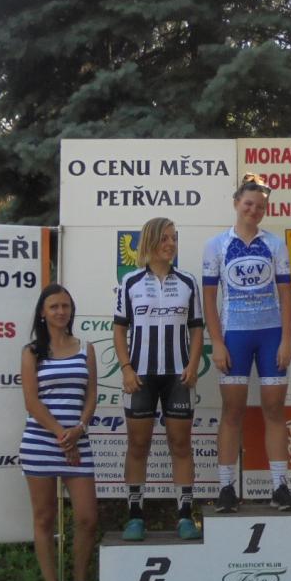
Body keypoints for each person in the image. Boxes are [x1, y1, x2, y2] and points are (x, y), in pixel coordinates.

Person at [202, 173, 291, 512]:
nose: (254, 211)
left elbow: (286, 296)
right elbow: (208, 298)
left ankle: (280, 487)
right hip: (235, 336)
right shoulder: (216, 245)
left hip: (271, 334)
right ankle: (226, 487)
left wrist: (286, 341)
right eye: (248, 204)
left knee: (274, 409)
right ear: (236, 203)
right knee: (232, 411)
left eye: (260, 207)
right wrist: (217, 343)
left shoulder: (274, 244)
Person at [113, 217, 205, 541]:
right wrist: (126, 368)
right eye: (165, 238)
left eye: (174, 238)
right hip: (140, 376)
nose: (171, 244)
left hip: (178, 375)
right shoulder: (130, 282)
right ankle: (135, 516)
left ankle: (185, 516)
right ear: (150, 241)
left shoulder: (188, 282)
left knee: (181, 444)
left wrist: (193, 364)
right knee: (138, 445)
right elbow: (119, 328)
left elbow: (197, 328)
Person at [19, 283, 99, 581]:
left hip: (77, 443)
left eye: (65, 306)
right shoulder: (31, 352)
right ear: (43, 312)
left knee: (87, 518)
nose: (60, 311)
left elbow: (92, 395)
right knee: (44, 519)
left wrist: (78, 429)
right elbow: (31, 402)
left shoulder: (86, 348)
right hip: (42, 443)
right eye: (54, 306)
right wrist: (60, 434)